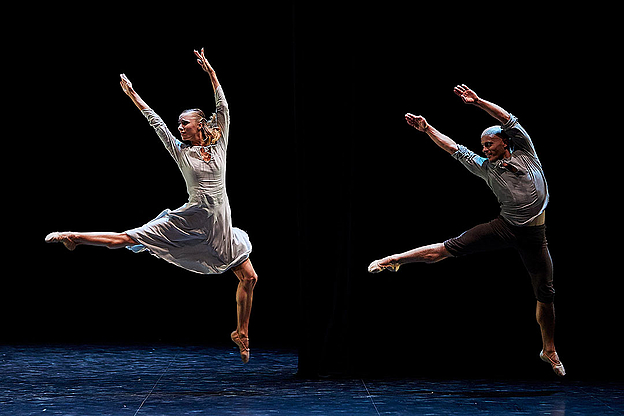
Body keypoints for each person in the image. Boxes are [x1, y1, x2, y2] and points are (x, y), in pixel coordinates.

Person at [45, 49, 257, 364]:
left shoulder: (220, 145)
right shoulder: (180, 151)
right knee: (129, 238)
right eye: (179, 124)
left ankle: (241, 333)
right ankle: (73, 236)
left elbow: (223, 107)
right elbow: (154, 120)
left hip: (220, 229)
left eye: (185, 123)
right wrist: (132, 94)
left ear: (200, 126)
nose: (180, 127)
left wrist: (212, 74)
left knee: (249, 278)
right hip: (188, 222)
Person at [368, 84, 564, 376]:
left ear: (505, 142)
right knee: (448, 249)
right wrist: (428, 129)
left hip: (535, 236)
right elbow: (453, 148)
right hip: (505, 227)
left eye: (489, 144)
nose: (484, 149)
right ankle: (394, 259)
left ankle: (548, 349)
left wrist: (476, 101)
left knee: (545, 294)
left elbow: (508, 118)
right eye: (482, 145)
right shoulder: (485, 167)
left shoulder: (526, 153)